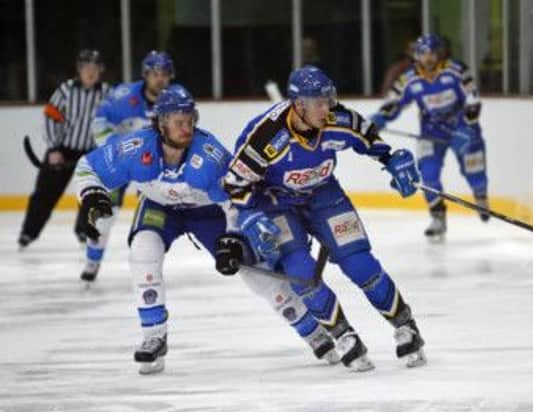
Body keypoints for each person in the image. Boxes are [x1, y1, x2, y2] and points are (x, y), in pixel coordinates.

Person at [74, 85, 340, 374]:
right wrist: (91, 195)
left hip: (207, 213)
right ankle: (154, 336)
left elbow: (236, 199)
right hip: (158, 208)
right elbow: (87, 166)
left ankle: (311, 330)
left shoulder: (210, 157)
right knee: (142, 251)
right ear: (161, 123)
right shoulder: (135, 149)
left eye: (190, 120)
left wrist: (233, 237)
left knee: (252, 270)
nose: (186, 127)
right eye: (179, 122)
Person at [222, 66, 426, 372]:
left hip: (323, 194)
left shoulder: (337, 120)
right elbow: (236, 184)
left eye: (327, 99)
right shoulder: (266, 136)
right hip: (277, 202)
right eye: (318, 102)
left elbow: (368, 136)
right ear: (298, 104)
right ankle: (342, 334)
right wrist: (250, 216)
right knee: (301, 270)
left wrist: (391, 158)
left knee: (359, 262)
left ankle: (405, 325)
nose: (326, 107)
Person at [371, 34, 489, 242]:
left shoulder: (456, 70)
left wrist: (469, 128)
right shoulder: (408, 79)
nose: (428, 58)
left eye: (432, 53)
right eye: (423, 54)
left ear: (440, 54)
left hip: (461, 126)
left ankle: (480, 196)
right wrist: (379, 120)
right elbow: (393, 102)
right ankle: (438, 217)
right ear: (417, 56)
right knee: (428, 173)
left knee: (474, 168)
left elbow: (473, 98)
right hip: (431, 132)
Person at [81, 51, 175, 283]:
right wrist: (116, 150)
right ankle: (93, 260)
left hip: (154, 166)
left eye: (165, 74)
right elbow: (100, 121)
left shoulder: (176, 99)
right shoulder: (123, 96)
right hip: (121, 163)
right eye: (155, 74)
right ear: (145, 75)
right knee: (104, 216)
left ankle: (149, 265)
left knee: (154, 217)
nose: (160, 79)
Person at [18, 49, 109, 249]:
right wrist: (53, 149)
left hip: (91, 154)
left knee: (91, 195)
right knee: (44, 194)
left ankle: (84, 231)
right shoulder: (65, 90)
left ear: (100, 70)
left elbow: (112, 123)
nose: (91, 72)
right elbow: (51, 118)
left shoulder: (107, 93)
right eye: (86, 68)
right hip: (63, 150)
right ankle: (28, 233)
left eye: (95, 68)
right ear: (79, 69)